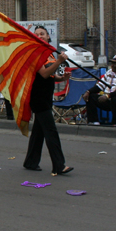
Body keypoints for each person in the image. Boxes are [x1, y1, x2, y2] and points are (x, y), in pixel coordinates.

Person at [22, 26, 73, 176]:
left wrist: (61, 78)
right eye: (37, 34)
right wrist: (59, 61)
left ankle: (31, 161)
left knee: (39, 132)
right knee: (51, 131)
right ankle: (59, 165)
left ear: (48, 37)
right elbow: (43, 74)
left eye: (42, 34)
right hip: (38, 98)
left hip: (46, 97)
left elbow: (50, 75)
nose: (40, 36)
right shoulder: (34, 54)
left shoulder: (48, 53)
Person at [82, 53, 116, 126]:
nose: (112, 65)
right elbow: (100, 85)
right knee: (91, 96)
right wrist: (88, 91)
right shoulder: (110, 72)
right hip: (110, 100)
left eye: (115, 63)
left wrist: (108, 96)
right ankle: (93, 122)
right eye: (112, 63)